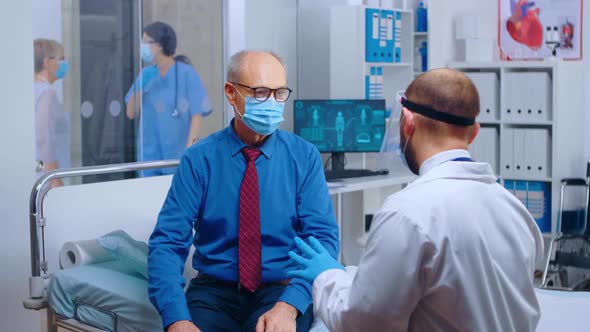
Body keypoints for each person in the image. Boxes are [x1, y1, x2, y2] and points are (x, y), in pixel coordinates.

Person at [288, 68, 544, 331]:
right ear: (474, 132)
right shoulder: (516, 211)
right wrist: (350, 277)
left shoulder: (407, 213)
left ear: (408, 122)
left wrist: (326, 276)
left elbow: (364, 323)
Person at [148, 50, 339, 332]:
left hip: (279, 292)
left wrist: (289, 307)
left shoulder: (304, 157)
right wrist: (177, 318)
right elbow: (167, 243)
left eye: (279, 93)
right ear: (231, 93)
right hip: (213, 294)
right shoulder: (199, 160)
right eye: (261, 92)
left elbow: (322, 239)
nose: (272, 103)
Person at [125, 21, 212, 176]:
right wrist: (139, 87)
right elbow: (131, 113)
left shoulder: (186, 74)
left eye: (146, 42)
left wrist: (189, 151)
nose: (142, 47)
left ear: (160, 45)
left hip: (178, 157)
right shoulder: (145, 75)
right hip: (148, 157)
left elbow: (196, 116)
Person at [33, 38, 70, 188]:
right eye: (62, 59)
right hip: (46, 174)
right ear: (47, 63)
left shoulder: (32, 88)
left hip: (39, 168)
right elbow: (44, 137)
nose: (65, 64)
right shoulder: (47, 92)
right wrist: (54, 178)